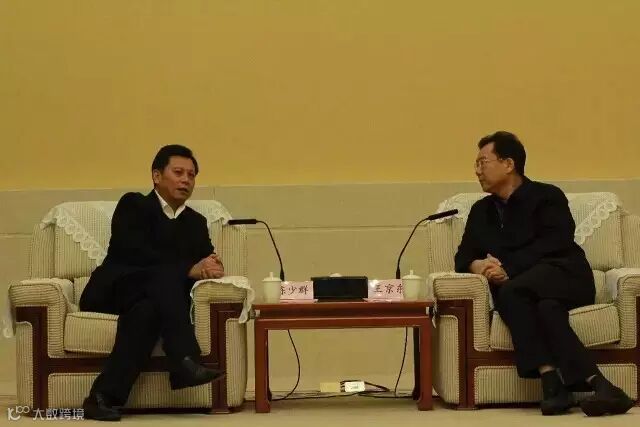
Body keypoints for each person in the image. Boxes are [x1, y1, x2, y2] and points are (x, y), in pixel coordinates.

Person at [455, 131, 634, 416]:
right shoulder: (481, 211)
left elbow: (555, 242)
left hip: (566, 275)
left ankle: (551, 381)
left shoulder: (547, 196)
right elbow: (463, 257)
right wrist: (479, 266)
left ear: (508, 164)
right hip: (530, 291)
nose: (477, 170)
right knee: (546, 309)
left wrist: (508, 269)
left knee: (511, 290)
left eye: (482, 162)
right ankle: (600, 386)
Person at [79, 145, 225, 421]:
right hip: (115, 290)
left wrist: (212, 265)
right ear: (157, 176)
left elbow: (205, 258)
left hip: (153, 301)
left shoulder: (196, 222)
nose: (186, 180)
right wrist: (188, 268)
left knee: (147, 313)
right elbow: (135, 253)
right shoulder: (133, 205)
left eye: (191, 175)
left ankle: (101, 398)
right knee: (162, 277)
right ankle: (184, 358)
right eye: (178, 172)